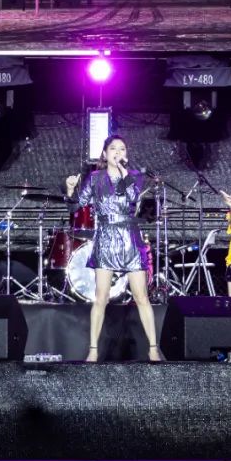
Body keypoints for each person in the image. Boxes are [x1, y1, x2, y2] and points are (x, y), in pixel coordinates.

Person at [65, 135, 160, 362]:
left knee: (141, 296)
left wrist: (124, 173)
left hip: (129, 237)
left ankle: (153, 349)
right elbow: (77, 206)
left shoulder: (134, 176)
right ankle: (93, 350)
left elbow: (132, 196)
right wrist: (70, 189)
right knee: (101, 297)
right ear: (105, 154)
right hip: (106, 237)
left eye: (122, 149)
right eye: (113, 149)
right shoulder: (95, 178)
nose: (118, 152)